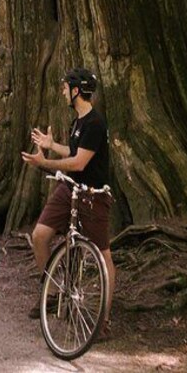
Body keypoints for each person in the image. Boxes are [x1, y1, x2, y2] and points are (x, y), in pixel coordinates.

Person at [20, 68, 115, 340]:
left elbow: (80, 162)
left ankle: (102, 322)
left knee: (103, 254)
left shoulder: (95, 123)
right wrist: (52, 145)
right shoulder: (78, 122)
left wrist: (44, 162)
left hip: (93, 194)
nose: (62, 90)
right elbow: (75, 153)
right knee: (40, 236)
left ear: (76, 90)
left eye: (65, 87)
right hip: (69, 188)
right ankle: (51, 295)